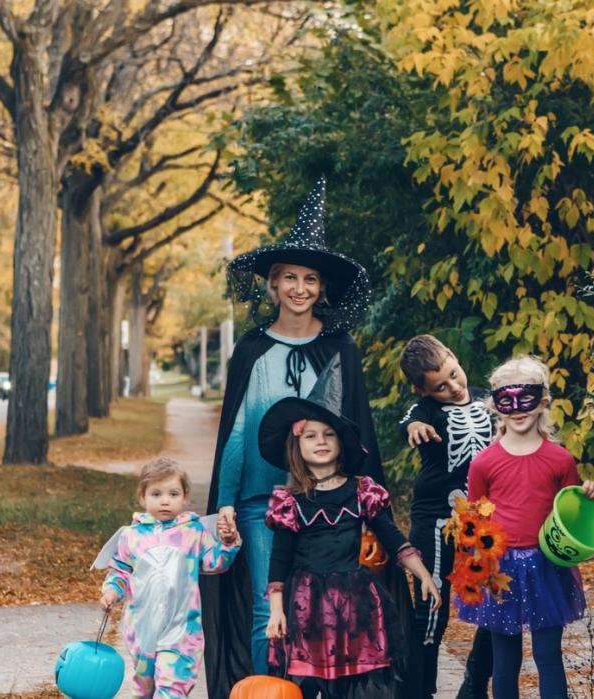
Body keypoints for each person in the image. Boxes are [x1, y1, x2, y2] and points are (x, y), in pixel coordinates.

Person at [203, 177, 396, 697]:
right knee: (272, 605)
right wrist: (223, 501)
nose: (300, 288)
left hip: (325, 502)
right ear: (272, 284)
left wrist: (366, 504)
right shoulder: (251, 349)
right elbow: (239, 432)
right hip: (260, 498)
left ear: (322, 288)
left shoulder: (340, 350)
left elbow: (355, 432)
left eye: (310, 279)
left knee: (329, 610)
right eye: (289, 277)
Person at [257, 386, 440, 699]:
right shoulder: (290, 501)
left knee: (357, 683)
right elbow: (279, 559)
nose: (321, 442)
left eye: (329, 434)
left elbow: (392, 537)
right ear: (296, 444)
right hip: (306, 605)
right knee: (303, 682)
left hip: (355, 604)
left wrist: (422, 574)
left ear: (341, 443)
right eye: (311, 436)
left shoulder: (361, 490)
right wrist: (276, 611)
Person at [459, 356, 594, 699]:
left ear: (543, 400)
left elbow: (570, 514)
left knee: (548, 655)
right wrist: (476, 569)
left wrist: (589, 495)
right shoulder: (484, 463)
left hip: (546, 567)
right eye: (506, 399)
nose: (516, 408)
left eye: (525, 397)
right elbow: (473, 521)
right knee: (505, 658)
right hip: (500, 569)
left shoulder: (560, 459)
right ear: (495, 405)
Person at [396, 335, 494, 699]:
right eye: (440, 386)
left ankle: (474, 683)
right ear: (423, 390)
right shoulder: (425, 410)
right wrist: (413, 428)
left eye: (454, 374)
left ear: (454, 356)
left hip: (483, 517)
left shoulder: (489, 399)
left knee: (497, 598)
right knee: (432, 601)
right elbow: (407, 420)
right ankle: (420, 688)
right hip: (435, 516)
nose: (453, 387)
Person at [96, 459, 241, 699]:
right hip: (141, 630)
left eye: (173, 493)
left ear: (185, 497)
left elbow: (215, 564)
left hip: (182, 630)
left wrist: (227, 544)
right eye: (156, 493)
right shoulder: (131, 536)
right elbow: (121, 571)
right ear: (142, 497)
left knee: (172, 689)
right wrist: (112, 591)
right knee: (144, 690)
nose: (165, 500)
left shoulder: (194, 532)